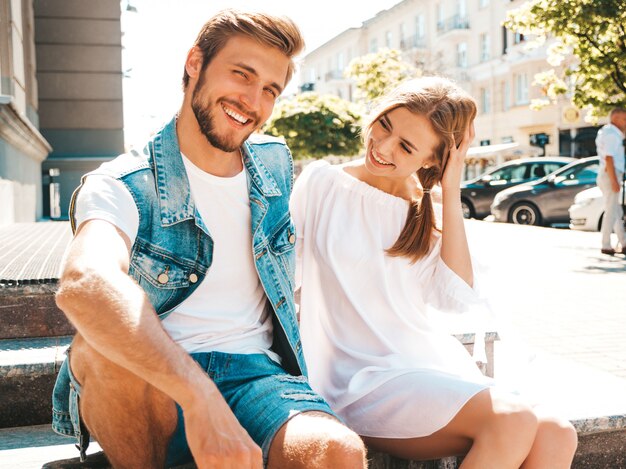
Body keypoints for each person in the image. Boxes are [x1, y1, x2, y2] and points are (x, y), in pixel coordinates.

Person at [51, 9, 366, 469]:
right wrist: (199, 396)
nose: (253, 101)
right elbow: (84, 283)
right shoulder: (124, 183)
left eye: (270, 90)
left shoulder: (275, 163)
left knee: (336, 452)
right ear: (195, 62)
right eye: (242, 74)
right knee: (101, 345)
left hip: (257, 379)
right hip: (150, 383)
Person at [291, 77, 578, 467]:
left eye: (407, 147)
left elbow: (455, 296)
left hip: (420, 366)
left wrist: (451, 184)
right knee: (513, 421)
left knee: (558, 432)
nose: (384, 146)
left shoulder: (425, 210)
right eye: (385, 125)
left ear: (431, 159)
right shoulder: (322, 183)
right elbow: (282, 275)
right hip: (355, 378)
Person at [596, 107, 626, 255]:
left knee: (616, 210)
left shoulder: (606, 131)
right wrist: (614, 181)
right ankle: (606, 244)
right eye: (624, 119)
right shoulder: (612, 135)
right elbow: (609, 158)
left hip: (608, 174)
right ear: (615, 119)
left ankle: (624, 242)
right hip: (610, 175)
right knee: (610, 210)